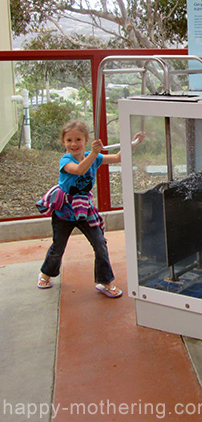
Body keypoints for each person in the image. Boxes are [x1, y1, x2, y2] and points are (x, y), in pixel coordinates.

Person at [36, 120, 144, 298]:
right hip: (64, 211)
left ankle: (105, 281)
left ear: (85, 140)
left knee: (100, 243)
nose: (74, 144)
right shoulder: (66, 160)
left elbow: (118, 157)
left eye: (78, 139)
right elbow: (79, 170)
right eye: (69, 140)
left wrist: (135, 143)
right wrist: (94, 154)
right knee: (58, 247)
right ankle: (46, 273)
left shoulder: (93, 156)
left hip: (85, 209)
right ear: (63, 142)